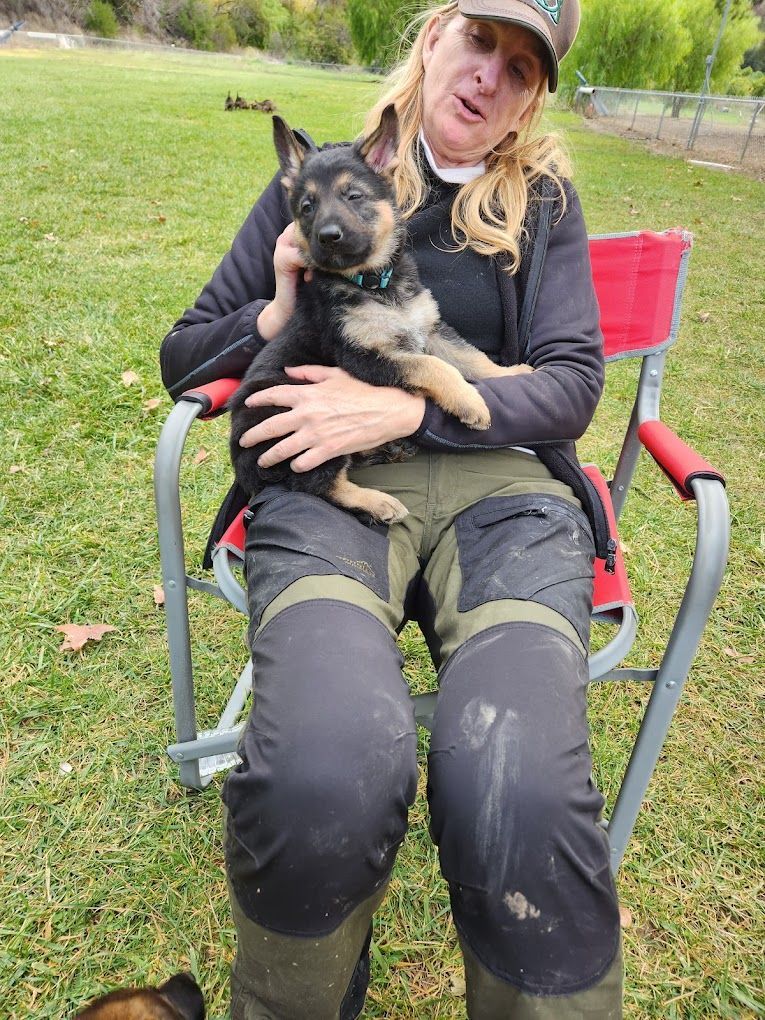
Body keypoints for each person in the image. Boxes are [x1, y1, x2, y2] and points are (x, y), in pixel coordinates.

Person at [160, 1, 623, 1016]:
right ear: (433, 37)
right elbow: (182, 358)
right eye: (478, 42)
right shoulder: (326, 178)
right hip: (329, 483)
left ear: (534, 96)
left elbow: (572, 385)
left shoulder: (541, 200)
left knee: (523, 788)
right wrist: (276, 309)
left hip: (501, 492)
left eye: (521, 67)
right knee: (322, 769)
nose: (488, 77)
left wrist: (413, 400)